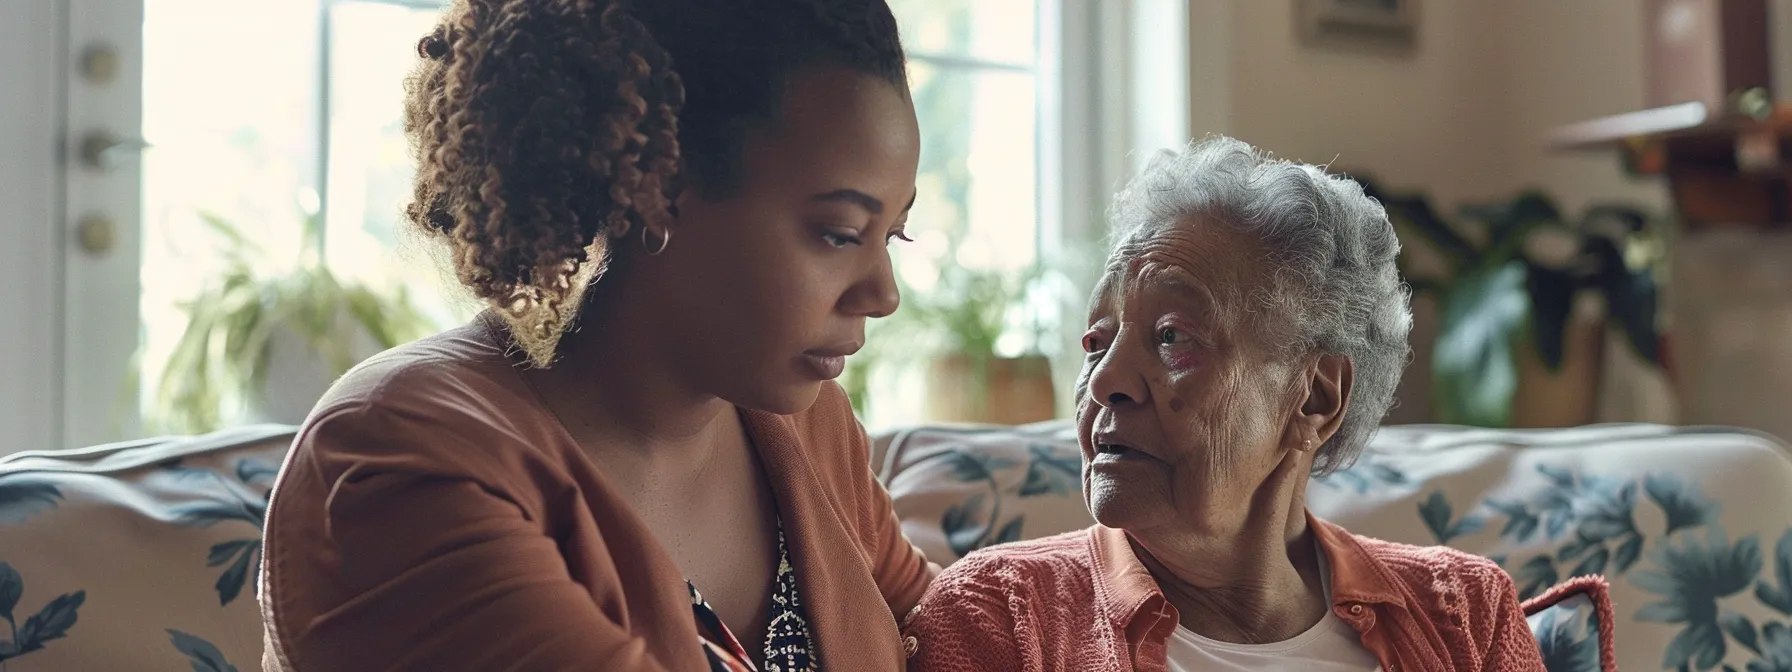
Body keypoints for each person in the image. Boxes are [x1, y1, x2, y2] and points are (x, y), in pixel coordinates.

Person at [257, 1, 937, 670]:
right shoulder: (396, 460)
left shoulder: (808, 433)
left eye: (892, 235)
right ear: (658, 188)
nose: (883, 294)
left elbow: (950, 631)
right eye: (840, 234)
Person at [902, 136, 1553, 671]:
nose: (1105, 382)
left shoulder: (1466, 616)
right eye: (1096, 342)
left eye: (1172, 337)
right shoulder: (1000, 618)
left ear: (1316, 398)